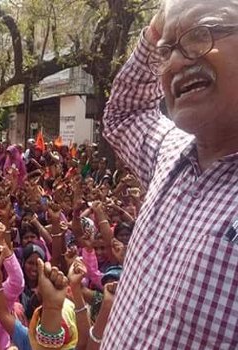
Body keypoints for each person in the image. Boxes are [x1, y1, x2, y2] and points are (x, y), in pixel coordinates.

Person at [100, 0, 238, 347]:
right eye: (168, 51)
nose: (176, 61)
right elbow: (124, 114)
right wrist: (154, 34)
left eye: (199, 35)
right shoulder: (168, 151)